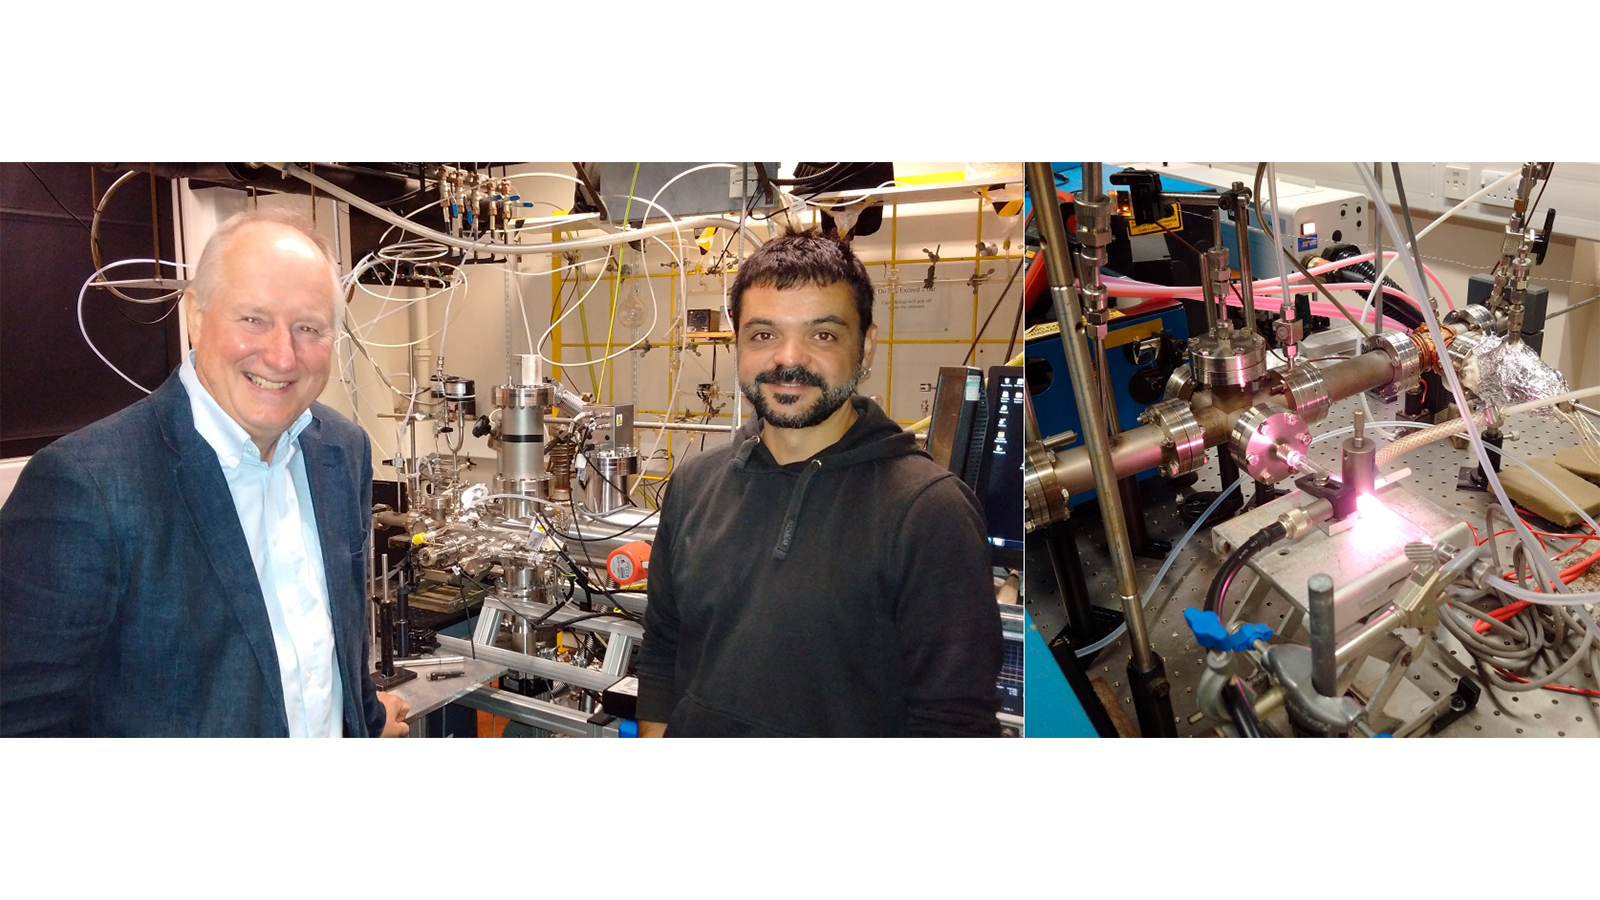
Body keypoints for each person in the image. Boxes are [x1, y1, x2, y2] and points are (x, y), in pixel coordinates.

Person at [0, 209, 409, 737]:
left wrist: (365, 721)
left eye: (309, 327)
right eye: (253, 319)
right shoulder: (88, 485)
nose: (282, 355)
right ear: (195, 314)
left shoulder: (342, 450)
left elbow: (337, 647)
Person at [635, 229, 1003, 737]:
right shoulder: (695, 485)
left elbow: (953, 721)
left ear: (866, 346)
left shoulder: (928, 510)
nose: (790, 359)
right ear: (737, 339)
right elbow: (663, 648)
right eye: (764, 334)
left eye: (822, 335)